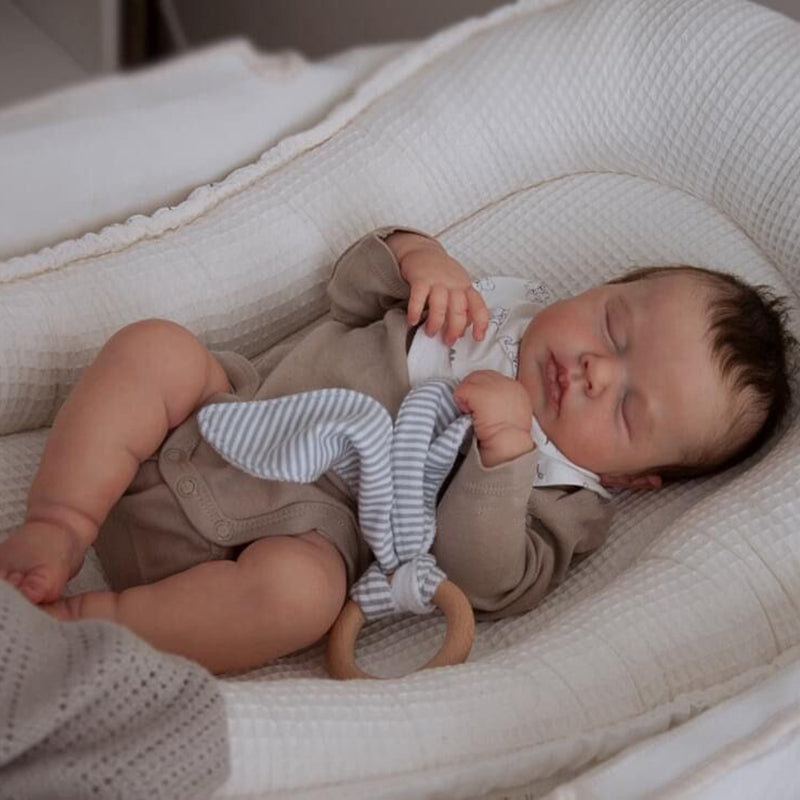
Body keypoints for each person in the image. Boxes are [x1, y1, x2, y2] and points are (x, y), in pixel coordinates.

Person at [0, 228, 793, 674]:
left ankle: (82, 627)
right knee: (157, 350)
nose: (594, 369)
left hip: (281, 539)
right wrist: (421, 257)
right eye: (614, 327)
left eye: (626, 407)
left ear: (635, 477)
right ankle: (62, 524)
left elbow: (490, 580)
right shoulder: (479, 308)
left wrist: (505, 451)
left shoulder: (566, 495)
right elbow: (349, 287)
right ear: (602, 286)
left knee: (302, 598)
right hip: (219, 417)